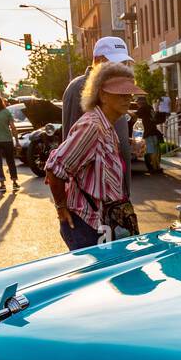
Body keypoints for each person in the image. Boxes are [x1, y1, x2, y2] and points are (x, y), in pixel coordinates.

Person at [45, 61, 145, 252]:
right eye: (121, 93)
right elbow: (54, 168)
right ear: (103, 95)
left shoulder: (106, 125)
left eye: (129, 93)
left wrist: (131, 146)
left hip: (103, 223)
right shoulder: (93, 126)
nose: (128, 98)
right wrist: (61, 208)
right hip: (86, 226)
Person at [62, 35, 132, 197]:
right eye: (117, 64)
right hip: (93, 197)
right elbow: (70, 146)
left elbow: (107, 135)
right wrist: (63, 205)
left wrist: (129, 146)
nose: (122, 68)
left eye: (125, 63)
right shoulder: (79, 88)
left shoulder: (116, 88)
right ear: (99, 61)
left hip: (118, 193)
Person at [136, 95, 163, 175]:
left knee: (151, 152)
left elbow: (135, 116)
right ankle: (158, 167)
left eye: (137, 102)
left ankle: (155, 169)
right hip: (154, 132)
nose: (137, 103)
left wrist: (125, 112)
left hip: (149, 133)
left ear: (141, 102)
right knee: (155, 150)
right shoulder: (150, 107)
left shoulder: (143, 108)